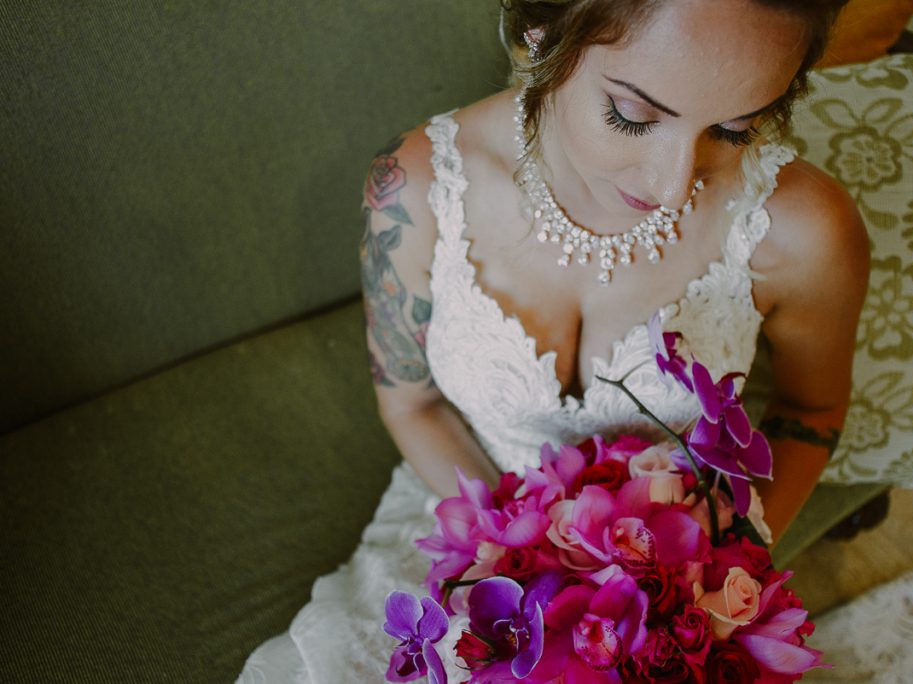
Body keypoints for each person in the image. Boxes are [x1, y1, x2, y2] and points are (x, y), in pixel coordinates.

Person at [239, 0, 866, 680]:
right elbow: (411, 403)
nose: (672, 180)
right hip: (462, 505)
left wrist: (712, 568)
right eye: (633, 114)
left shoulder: (804, 231)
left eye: (735, 128)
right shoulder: (415, 188)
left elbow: (811, 411)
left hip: (666, 587)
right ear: (542, 33)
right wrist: (523, 565)